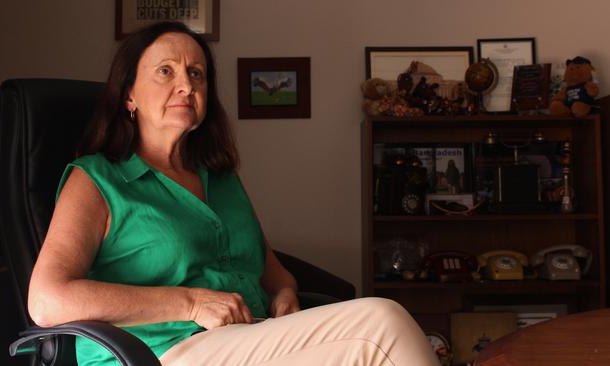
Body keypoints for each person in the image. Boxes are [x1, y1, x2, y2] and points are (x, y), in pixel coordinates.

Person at [27, 21, 438, 366]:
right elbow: (48, 300)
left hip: (250, 339)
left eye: (196, 74)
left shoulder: (220, 178)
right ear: (129, 94)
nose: (186, 85)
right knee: (382, 324)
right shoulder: (97, 179)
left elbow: (269, 267)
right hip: (159, 352)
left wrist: (284, 292)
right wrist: (189, 304)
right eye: (166, 71)